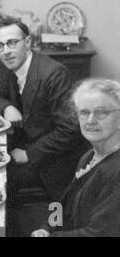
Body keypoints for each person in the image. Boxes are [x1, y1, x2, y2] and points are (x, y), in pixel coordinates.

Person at [0, 18, 88, 201]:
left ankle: (12, 226)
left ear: (28, 42)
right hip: (24, 144)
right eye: (0, 46)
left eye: (12, 43)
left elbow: (69, 130)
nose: (6, 51)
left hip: (52, 162)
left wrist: (29, 154)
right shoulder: (10, 66)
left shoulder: (54, 74)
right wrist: (7, 107)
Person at [32, 78, 120, 237]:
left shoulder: (116, 172)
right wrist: (46, 228)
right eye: (84, 112)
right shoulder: (88, 156)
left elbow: (99, 234)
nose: (91, 120)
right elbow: (63, 204)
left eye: (101, 112)